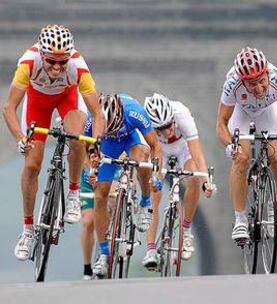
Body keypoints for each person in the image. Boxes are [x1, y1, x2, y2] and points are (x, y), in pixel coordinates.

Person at [2, 24, 104, 261]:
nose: (57, 68)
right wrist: (20, 138)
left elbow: (97, 112)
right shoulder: (28, 63)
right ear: (41, 55)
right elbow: (9, 108)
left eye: (62, 62)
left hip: (68, 98)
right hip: (38, 102)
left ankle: (73, 193)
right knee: (32, 165)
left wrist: (96, 142)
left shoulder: (78, 67)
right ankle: (28, 230)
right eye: (51, 62)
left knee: (78, 136)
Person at [216, 46, 277, 243]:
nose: (258, 89)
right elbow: (222, 124)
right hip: (240, 113)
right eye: (251, 85)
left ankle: (273, 203)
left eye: (261, 81)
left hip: (268, 112)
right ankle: (240, 219)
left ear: (267, 73)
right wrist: (230, 146)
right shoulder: (231, 85)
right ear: (242, 81)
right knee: (241, 159)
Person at [85, 93, 163, 278]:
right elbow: (85, 148)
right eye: (106, 128)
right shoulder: (92, 119)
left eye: (113, 127)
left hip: (130, 139)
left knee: (142, 160)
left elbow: (155, 146)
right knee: (100, 195)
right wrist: (91, 170)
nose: (110, 130)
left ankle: (144, 203)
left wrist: (157, 174)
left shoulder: (134, 112)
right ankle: (104, 254)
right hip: (107, 146)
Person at [141, 93, 215, 270]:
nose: (167, 132)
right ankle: (150, 250)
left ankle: (187, 230)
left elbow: (197, 154)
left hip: (183, 149)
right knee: (154, 194)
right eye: (161, 129)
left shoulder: (182, 115)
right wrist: (153, 177)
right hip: (160, 152)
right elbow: (145, 151)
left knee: (194, 178)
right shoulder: (145, 123)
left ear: (172, 119)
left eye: (168, 125)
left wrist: (206, 180)